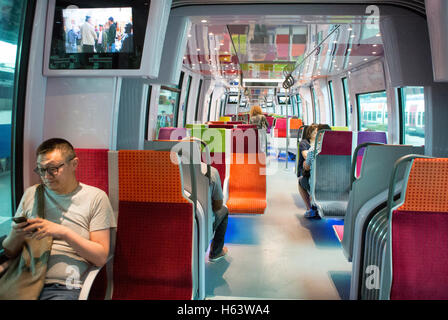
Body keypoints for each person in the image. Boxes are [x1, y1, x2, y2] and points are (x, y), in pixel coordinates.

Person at [2, 138, 116, 300]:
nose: (46, 176)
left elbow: (100, 257)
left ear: (74, 164)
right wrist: (16, 234)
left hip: (63, 285)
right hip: (24, 279)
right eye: (41, 170)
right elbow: (9, 251)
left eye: (53, 169)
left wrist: (63, 233)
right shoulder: (31, 194)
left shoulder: (95, 198)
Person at [299, 124, 332, 219]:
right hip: (338, 186)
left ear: (320, 135)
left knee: (301, 181)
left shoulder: (313, 149)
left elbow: (307, 168)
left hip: (318, 185)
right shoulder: (342, 149)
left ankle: (310, 209)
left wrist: (306, 163)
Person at [200, 163, 229, 262]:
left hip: (174, 221)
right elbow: (218, 206)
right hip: (202, 223)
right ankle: (216, 252)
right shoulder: (210, 171)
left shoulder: (169, 170)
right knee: (224, 210)